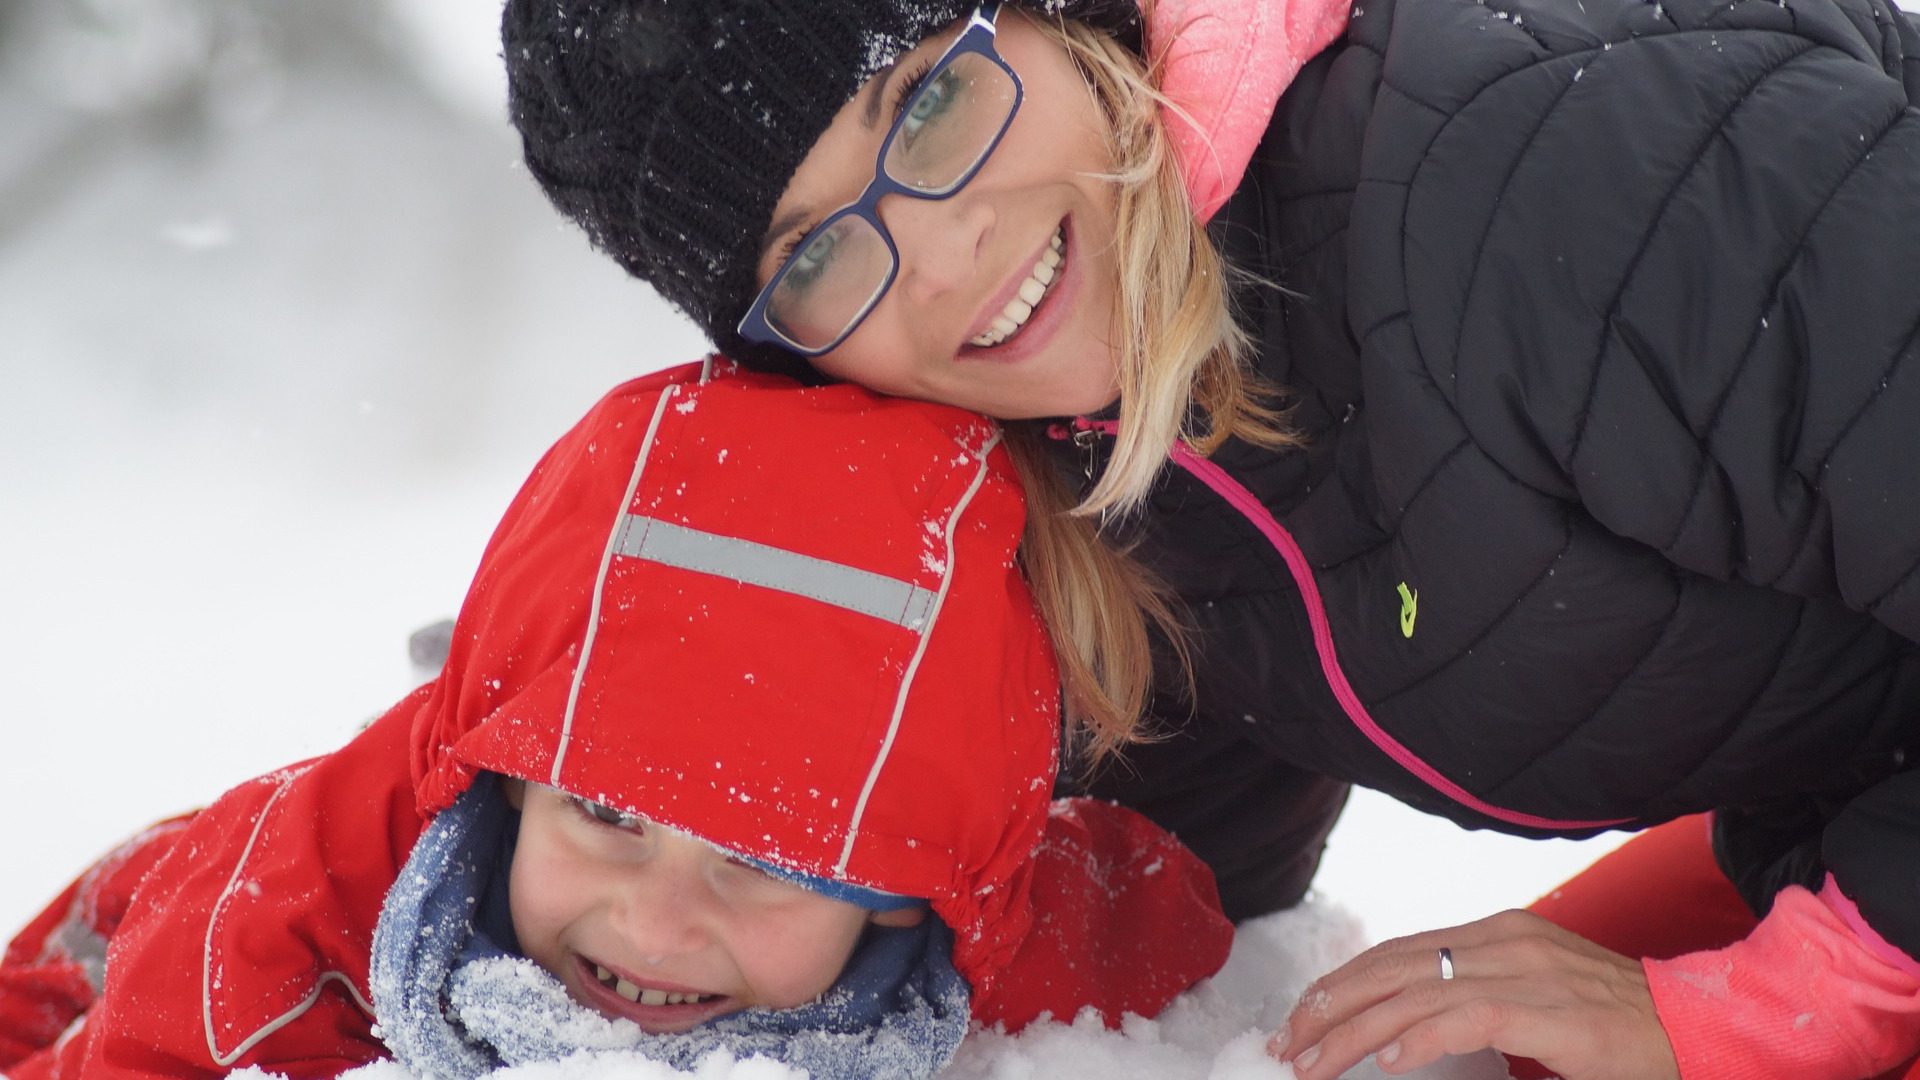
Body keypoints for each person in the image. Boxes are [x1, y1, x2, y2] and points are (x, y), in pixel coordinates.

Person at [498, 0, 1920, 1075]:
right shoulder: (1095, 445)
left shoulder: (1535, 185)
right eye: (813, 256)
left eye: (929, 106)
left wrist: (1780, 1011)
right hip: (1849, 807)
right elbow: (1157, 867)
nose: (939, 256)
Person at [0, 363, 1233, 1079]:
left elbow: (1149, 916)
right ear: (518, 789)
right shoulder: (273, 921)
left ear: (910, 896)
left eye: (765, 863)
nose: (655, 922)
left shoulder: (977, 924)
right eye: (606, 816)